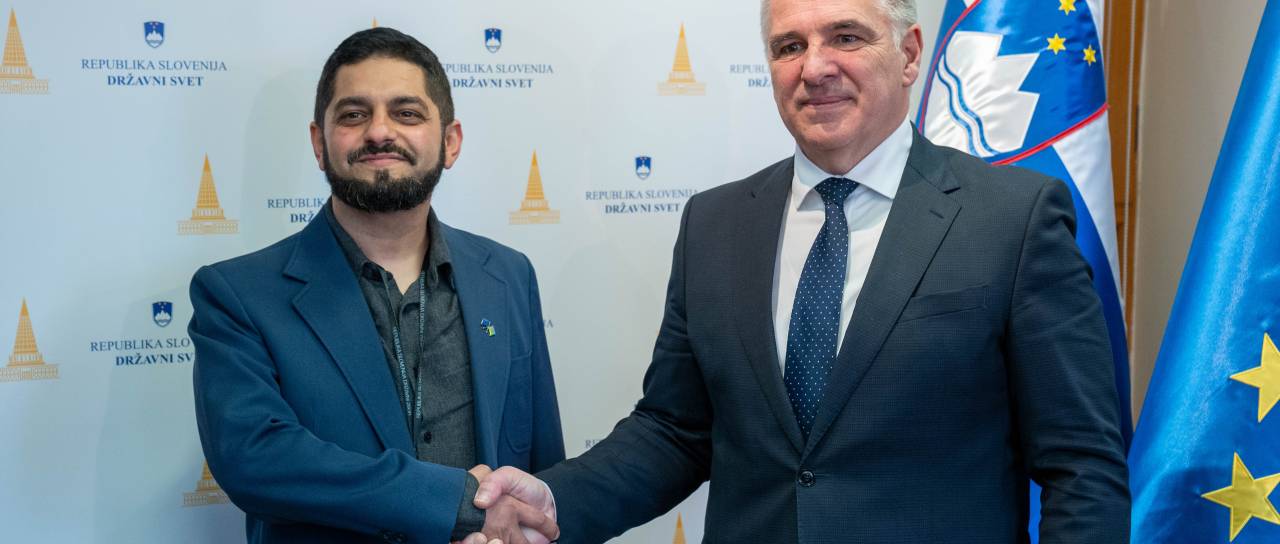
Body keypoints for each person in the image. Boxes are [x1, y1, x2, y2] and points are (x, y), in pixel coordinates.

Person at [464, 0, 1130, 542]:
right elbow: (676, 430)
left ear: (909, 55)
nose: (815, 68)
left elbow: (1082, 467)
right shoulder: (715, 224)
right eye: (789, 46)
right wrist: (554, 500)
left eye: (846, 37)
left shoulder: (1012, 218)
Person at [189, 28, 564, 543]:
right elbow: (254, 458)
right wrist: (454, 503)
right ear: (319, 143)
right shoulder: (238, 294)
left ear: (450, 141)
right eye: (353, 114)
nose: (379, 132)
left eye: (407, 113)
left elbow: (542, 467)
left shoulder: (508, 275)